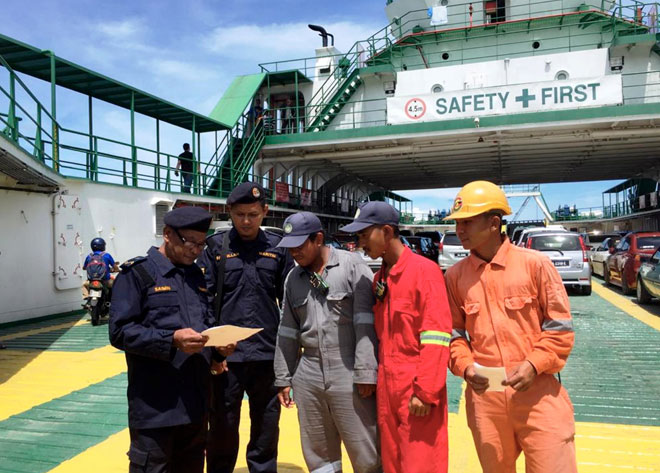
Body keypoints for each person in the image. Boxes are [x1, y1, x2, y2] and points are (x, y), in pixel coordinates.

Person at [443, 181, 577, 473]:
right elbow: (453, 335)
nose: (459, 230)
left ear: (494, 223)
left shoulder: (535, 265)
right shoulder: (455, 277)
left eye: (467, 221)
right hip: (485, 400)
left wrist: (533, 364)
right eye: (457, 223)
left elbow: (560, 328)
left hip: (538, 392)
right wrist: (465, 367)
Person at [109, 206, 230, 473]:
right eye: (190, 242)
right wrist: (171, 339)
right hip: (156, 409)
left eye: (201, 244)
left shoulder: (196, 276)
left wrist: (219, 350)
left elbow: (206, 324)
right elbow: (120, 332)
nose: (196, 250)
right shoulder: (137, 275)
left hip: (195, 406)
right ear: (167, 234)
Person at [341, 201, 452, 473]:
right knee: (392, 463)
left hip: (415, 386)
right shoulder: (380, 278)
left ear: (387, 232)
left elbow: (437, 336)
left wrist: (425, 393)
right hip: (386, 386)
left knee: (421, 463)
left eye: (365, 235)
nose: (359, 243)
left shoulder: (425, 272)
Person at [198, 182, 294, 473]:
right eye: (239, 214)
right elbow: (204, 300)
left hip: (266, 354)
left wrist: (290, 357)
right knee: (222, 425)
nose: (246, 221)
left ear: (265, 211)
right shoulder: (216, 247)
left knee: (266, 424)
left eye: (253, 214)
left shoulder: (278, 247)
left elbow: (290, 303)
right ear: (230, 212)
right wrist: (213, 352)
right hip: (226, 357)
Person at [274, 212, 381, 473]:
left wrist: (366, 372)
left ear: (318, 238)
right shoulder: (293, 278)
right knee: (318, 453)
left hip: (348, 369)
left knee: (365, 451)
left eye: (299, 246)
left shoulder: (351, 266)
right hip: (308, 373)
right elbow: (287, 330)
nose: (294, 253)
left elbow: (366, 323)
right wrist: (283, 377)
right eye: (289, 248)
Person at [82, 237, 119, 303]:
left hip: (91, 281)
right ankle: (114, 301)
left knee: (84, 284)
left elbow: (84, 267)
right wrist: (117, 270)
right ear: (102, 246)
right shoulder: (107, 255)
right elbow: (115, 267)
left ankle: (86, 297)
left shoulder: (89, 256)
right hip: (105, 281)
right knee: (116, 284)